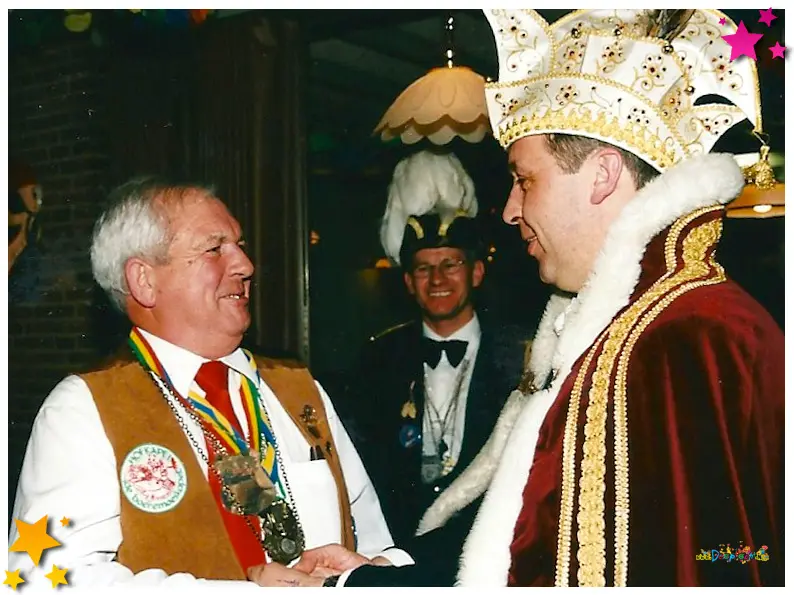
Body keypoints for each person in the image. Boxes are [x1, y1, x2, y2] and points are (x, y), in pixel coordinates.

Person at [415, 8, 784, 587]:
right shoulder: (628, 322)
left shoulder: (682, 333)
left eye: (524, 180)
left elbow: (719, 562)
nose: (510, 210)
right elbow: (535, 531)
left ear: (602, 175)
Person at [8, 177, 411, 588]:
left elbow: (373, 543)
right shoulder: (84, 409)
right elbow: (43, 580)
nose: (246, 265)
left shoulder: (298, 390)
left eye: (240, 245)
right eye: (214, 249)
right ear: (144, 280)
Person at [334, 151, 528, 585]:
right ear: (408, 282)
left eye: (450, 264)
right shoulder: (376, 361)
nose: (437, 279)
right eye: (423, 268)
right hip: (395, 562)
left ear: (477, 273)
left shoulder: (522, 356)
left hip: (491, 557)